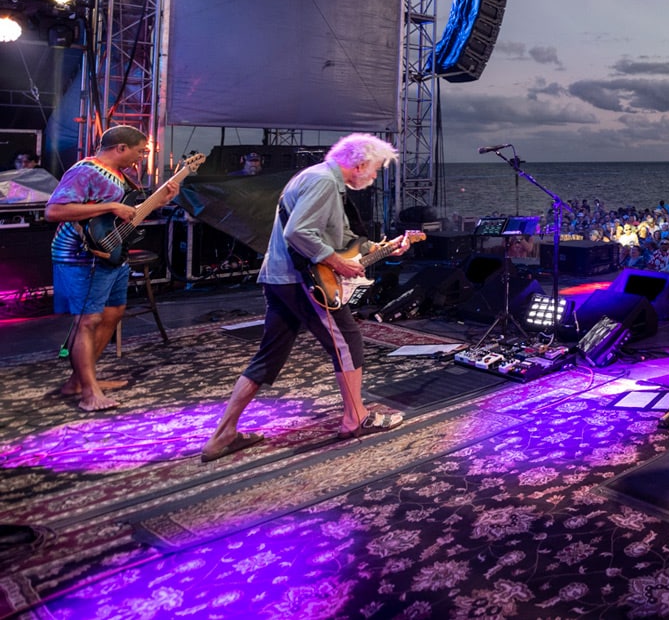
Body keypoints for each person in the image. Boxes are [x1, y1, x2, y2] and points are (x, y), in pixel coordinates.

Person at [200, 133, 408, 462]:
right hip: (302, 281)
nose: (374, 177)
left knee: (269, 356)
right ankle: (355, 418)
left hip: (281, 278)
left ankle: (223, 434)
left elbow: (341, 240)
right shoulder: (325, 181)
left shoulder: (317, 178)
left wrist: (384, 248)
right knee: (348, 342)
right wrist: (338, 262)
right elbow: (298, 232)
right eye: (376, 169)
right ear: (360, 163)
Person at [44, 126, 180, 411]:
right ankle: (89, 394)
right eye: (138, 152)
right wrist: (110, 207)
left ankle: (80, 380)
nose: (140, 158)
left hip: (112, 252)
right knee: (88, 321)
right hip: (82, 255)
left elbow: (125, 216)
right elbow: (54, 211)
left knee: (113, 313)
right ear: (120, 148)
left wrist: (160, 201)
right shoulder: (86, 171)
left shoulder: (122, 177)